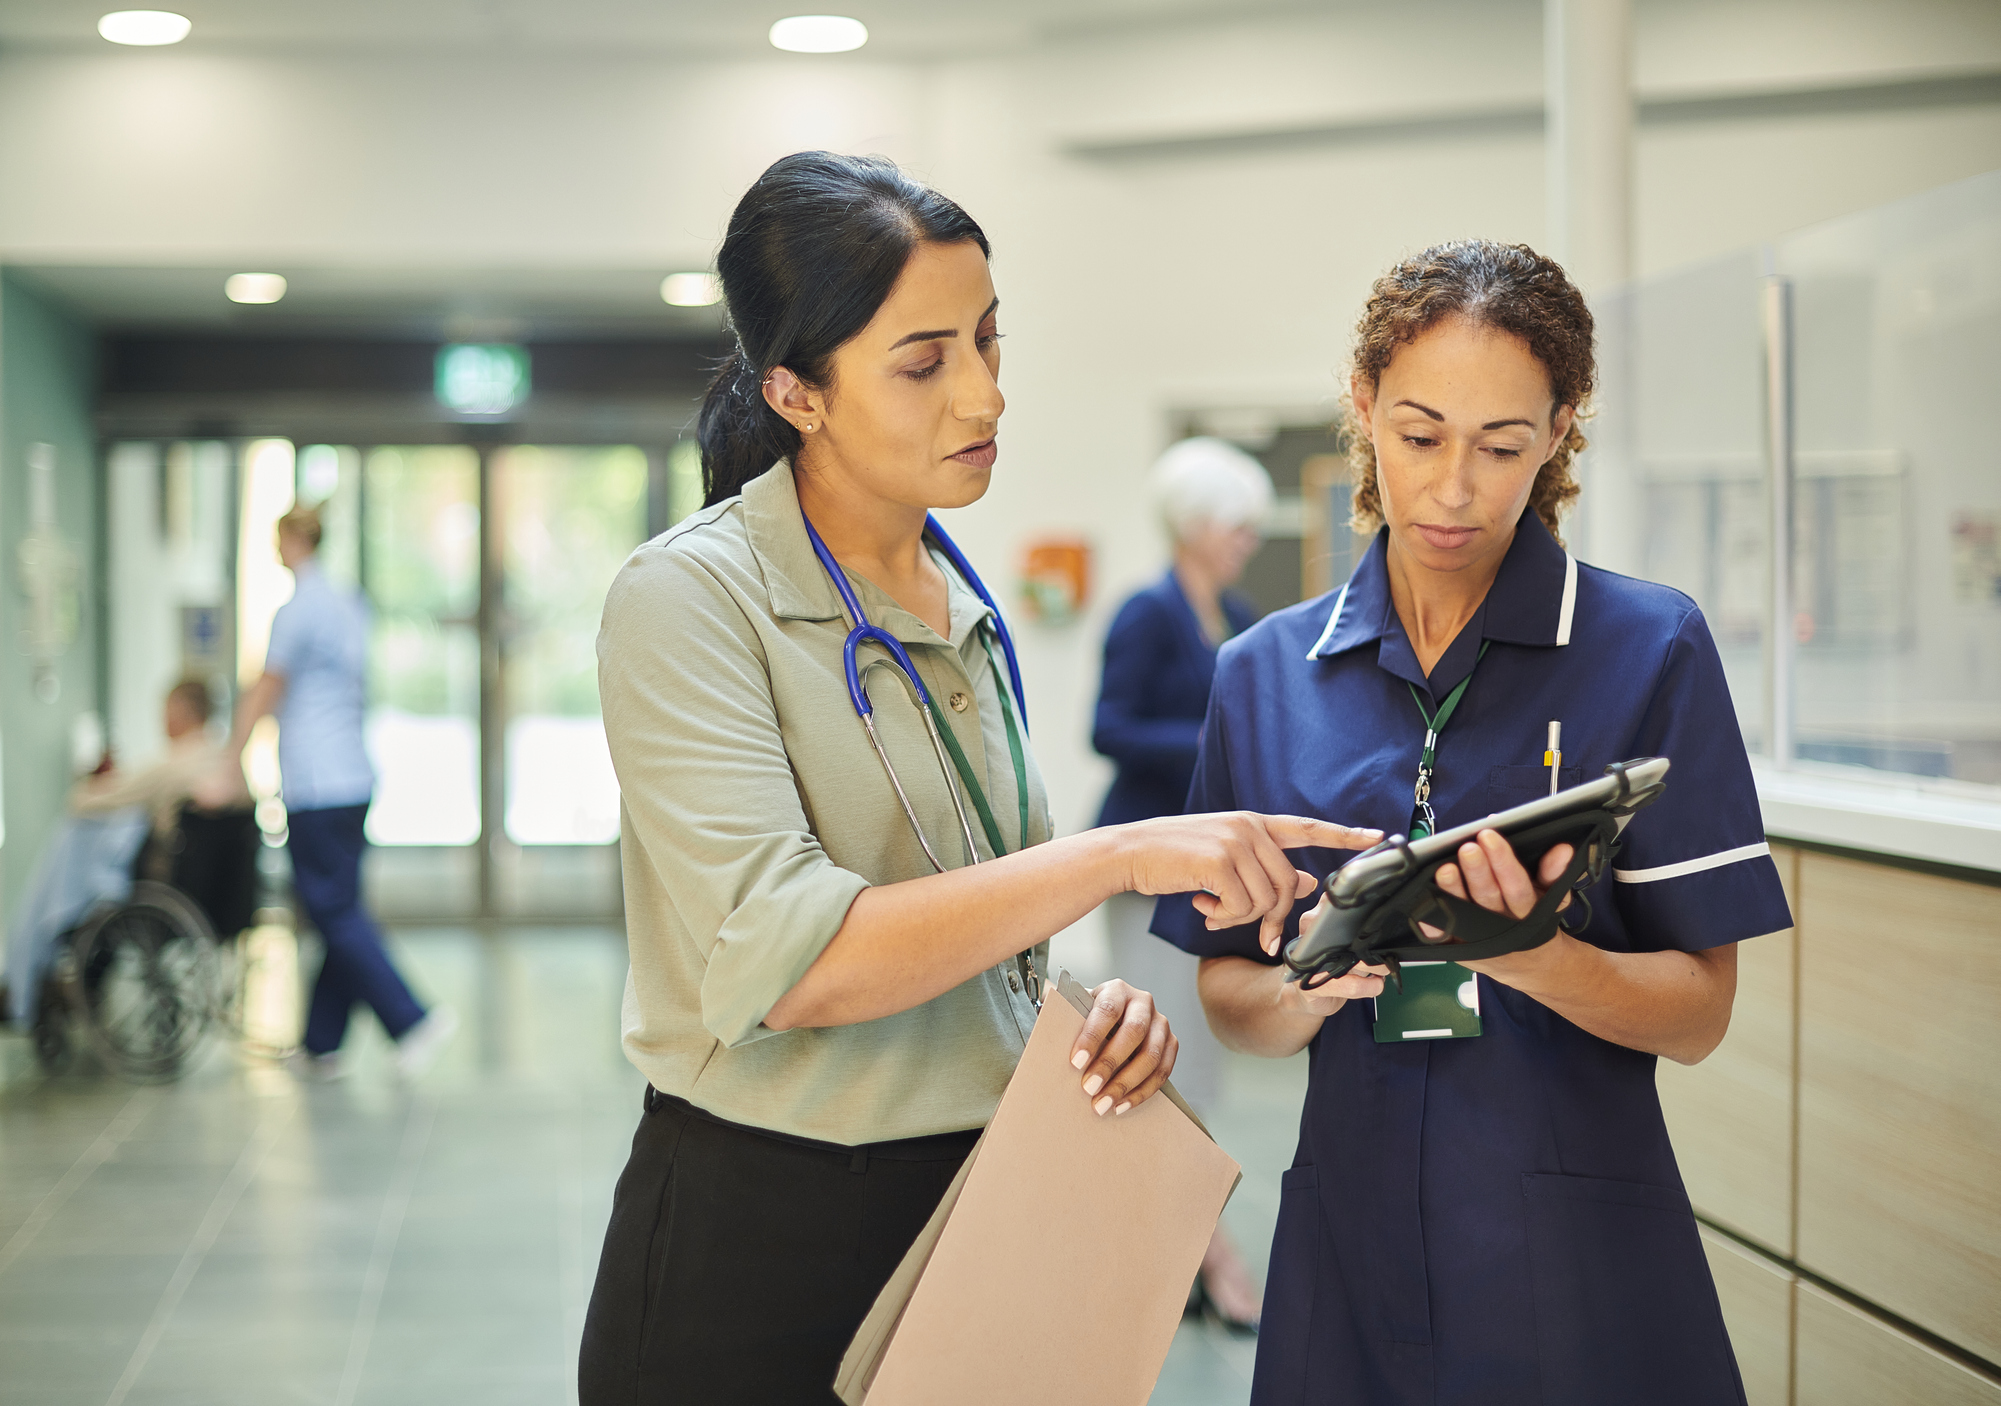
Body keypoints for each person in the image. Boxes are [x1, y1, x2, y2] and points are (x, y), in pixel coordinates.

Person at [576, 151, 1377, 1404]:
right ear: (796, 389)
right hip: (760, 1235)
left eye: (990, 343)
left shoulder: (962, 599)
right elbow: (801, 961)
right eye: (924, 360)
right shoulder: (686, 599)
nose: (985, 395)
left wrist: (1075, 1018)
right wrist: (1116, 857)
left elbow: (976, 914)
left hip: (978, 1209)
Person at [1161, 241, 1792, 1405]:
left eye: (1502, 445)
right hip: (1345, 1244)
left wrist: (1530, 955)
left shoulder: (1650, 649)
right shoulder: (1262, 675)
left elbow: (1699, 1012)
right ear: (1362, 411)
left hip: (1575, 1245)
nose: (1456, 486)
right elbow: (1227, 995)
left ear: (1557, 432)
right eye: (1420, 435)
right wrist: (1312, 983)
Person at [1091, 434, 1272, 1328]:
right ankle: (1206, 1255)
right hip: (1142, 870)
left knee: (1197, 1065)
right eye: (1237, 525)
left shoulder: (1235, 613)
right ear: (1195, 525)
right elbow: (1110, 728)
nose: (1247, 540)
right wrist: (1210, 747)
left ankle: (1186, 1247)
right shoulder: (1144, 614)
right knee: (1155, 1065)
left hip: (1206, 871)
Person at [228, 506, 456, 1082]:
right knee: (337, 910)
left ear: (297, 539)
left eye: (278, 538)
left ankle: (410, 1018)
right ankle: (321, 1044)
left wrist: (228, 759)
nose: (275, 549)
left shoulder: (296, 610)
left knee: (333, 910)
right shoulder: (347, 603)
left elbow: (266, 689)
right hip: (352, 780)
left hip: (315, 785)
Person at [0, 679, 249, 1027]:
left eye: (164, 711)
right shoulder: (225, 761)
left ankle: (22, 983)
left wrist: (91, 784)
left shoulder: (176, 763)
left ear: (182, 712)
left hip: (167, 886)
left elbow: (87, 800)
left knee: (70, 855)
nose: (161, 720)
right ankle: (32, 982)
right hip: (218, 899)